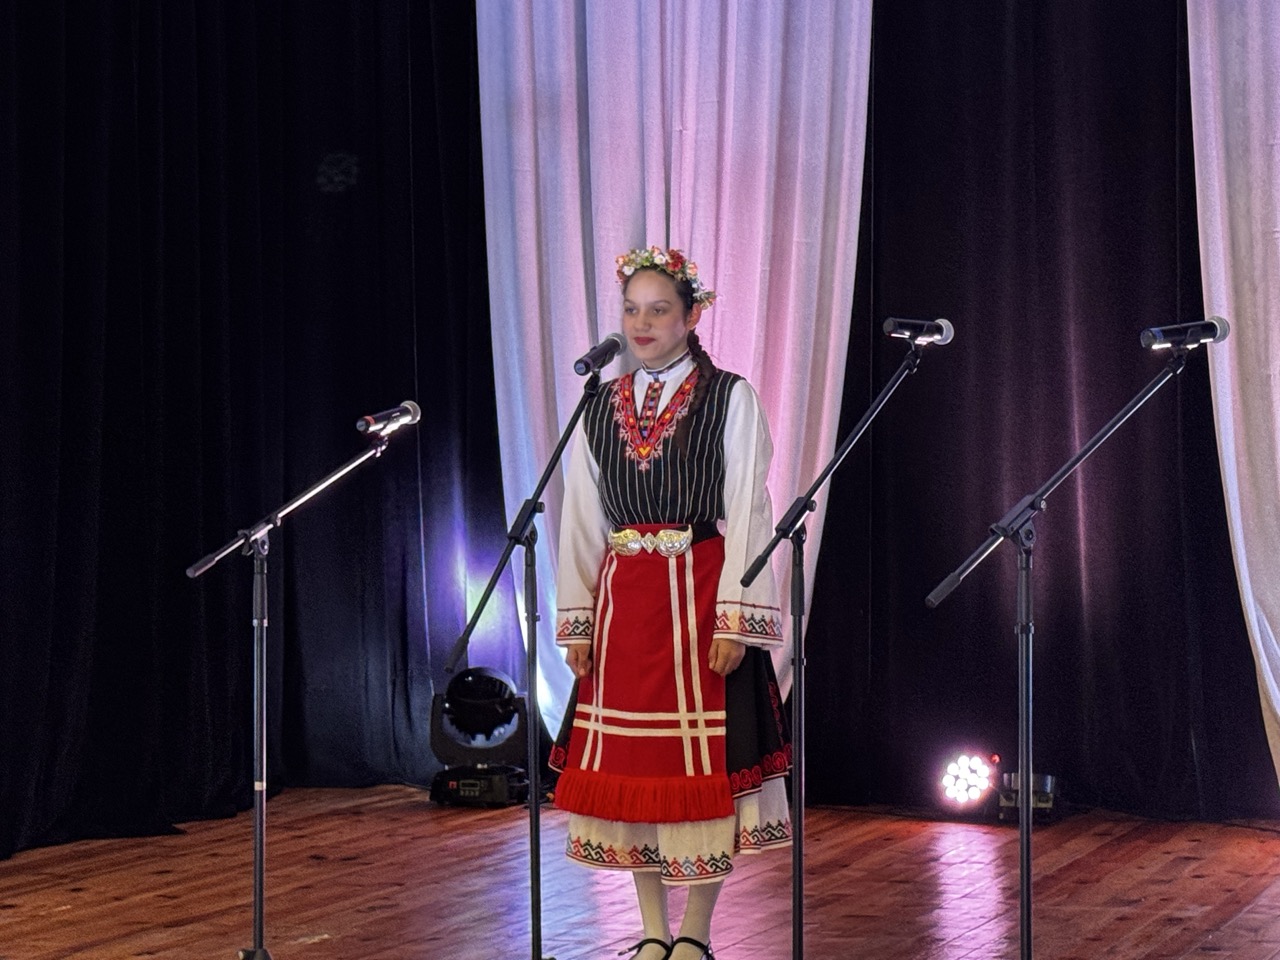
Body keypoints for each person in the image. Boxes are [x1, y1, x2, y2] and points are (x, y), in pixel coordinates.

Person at [550, 245, 792, 960]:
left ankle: (696, 933)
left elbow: (748, 509)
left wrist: (736, 620)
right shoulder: (599, 405)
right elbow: (581, 516)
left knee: (698, 771)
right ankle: (653, 931)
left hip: (699, 592)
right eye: (633, 310)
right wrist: (578, 620)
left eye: (659, 310)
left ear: (691, 317)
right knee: (636, 771)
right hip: (626, 604)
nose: (643, 323)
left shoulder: (729, 397)